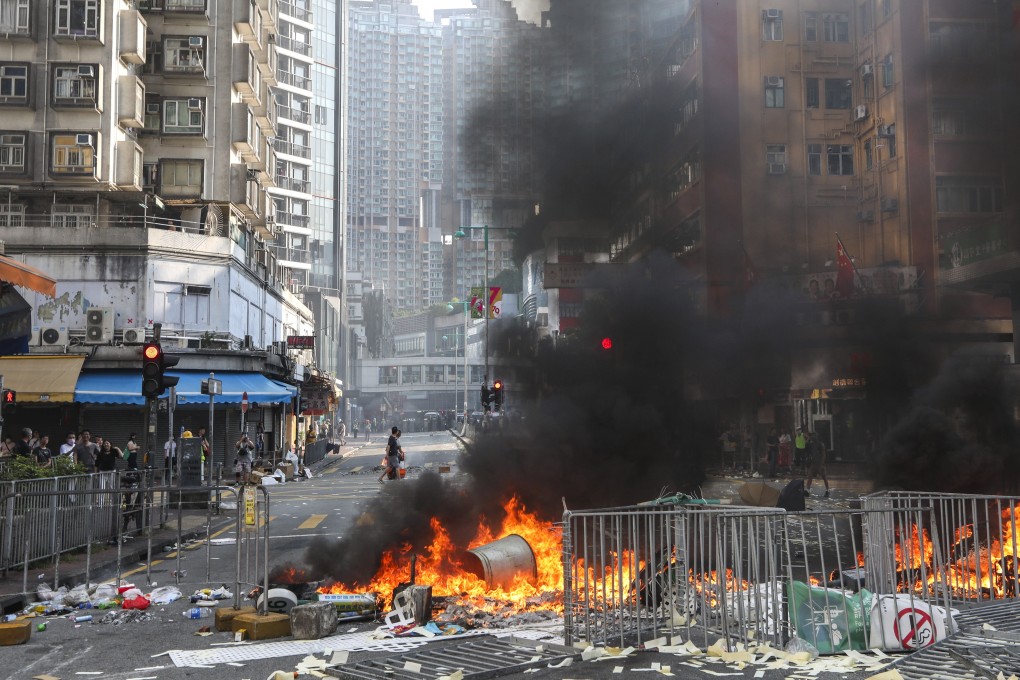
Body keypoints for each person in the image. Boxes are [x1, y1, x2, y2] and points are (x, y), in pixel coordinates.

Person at [805, 431, 830, 498]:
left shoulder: (820, 444)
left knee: (824, 477)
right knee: (810, 476)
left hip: (819, 463)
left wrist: (822, 463)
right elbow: (806, 450)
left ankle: (827, 490)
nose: (812, 437)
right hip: (813, 463)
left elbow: (823, 454)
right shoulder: (811, 444)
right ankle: (807, 490)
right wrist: (808, 440)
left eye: (813, 436)